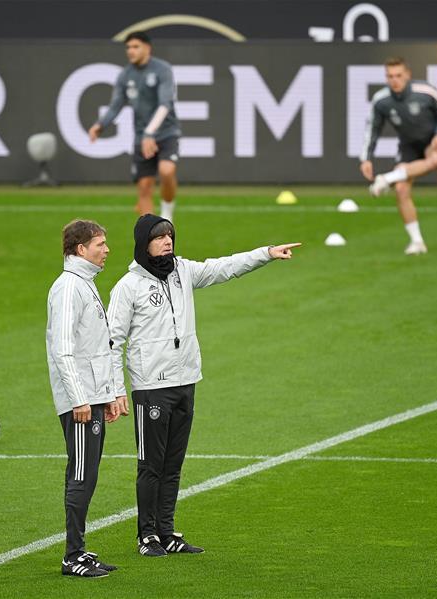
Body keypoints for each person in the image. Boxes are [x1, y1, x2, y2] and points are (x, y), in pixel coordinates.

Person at [107, 214, 299, 557]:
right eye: (159, 237)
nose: (167, 242)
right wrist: (116, 389)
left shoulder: (182, 271)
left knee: (173, 463)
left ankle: (166, 532)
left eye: (170, 235)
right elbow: (112, 340)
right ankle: (146, 536)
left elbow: (224, 267)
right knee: (151, 464)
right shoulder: (128, 286)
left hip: (186, 381)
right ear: (143, 244)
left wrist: (266, 253)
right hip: (151, 386)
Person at [46, 219, 128, 577]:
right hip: (79, 402)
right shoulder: (68, 288)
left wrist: (106, 395)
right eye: (100, 244)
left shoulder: (84, 284)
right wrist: (80, 399)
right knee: (81, 474)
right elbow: (63, 350)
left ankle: (78, 551)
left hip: (92, 398)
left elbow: (96, 348)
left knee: (87, 473)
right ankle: (72, 557)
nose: (106, 249)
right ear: (80, 249)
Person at [359, 57, 437, 255]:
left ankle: (387, 178)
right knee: (401, 190)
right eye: (390, 76)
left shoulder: (424, 90)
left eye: (398, 76)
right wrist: (366, 158)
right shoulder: (382, 100)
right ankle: (417, 242)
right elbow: (373, 129)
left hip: (433, 140)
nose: (394, 80)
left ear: (408, 75)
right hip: (409, 146)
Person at [88, 31, 181, 221]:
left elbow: (165, 104)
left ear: (147, 48)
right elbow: (116, 104)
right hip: (141, 137)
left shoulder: (162, 69)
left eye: (135, 47)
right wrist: (100, 124)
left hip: (166, 132)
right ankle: (150, 232)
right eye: (128, 47)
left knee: (167, 171)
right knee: (144, 186)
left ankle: (167, 211)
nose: (131, 51)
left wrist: (150, 132)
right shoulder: (125, 75)